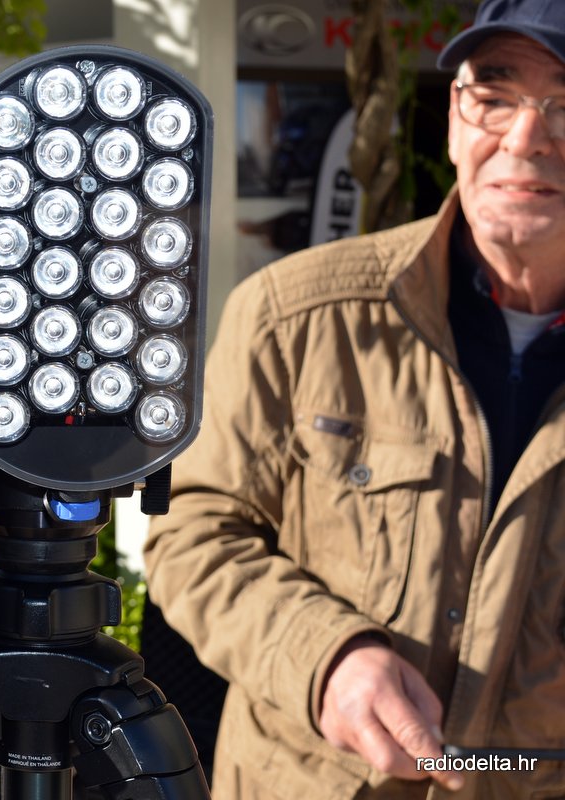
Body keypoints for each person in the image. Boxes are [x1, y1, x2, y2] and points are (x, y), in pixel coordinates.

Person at [143, 0, 565, 797]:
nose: (525, 136)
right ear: (455, 119)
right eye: (495, 95)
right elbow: (191, 533)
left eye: (564, 104)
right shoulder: (295, 317)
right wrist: (324, 657)